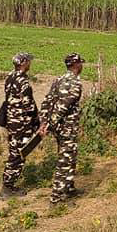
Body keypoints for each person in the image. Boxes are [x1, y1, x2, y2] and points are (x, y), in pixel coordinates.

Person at [38, 53, 84, 204]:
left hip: (58, 128)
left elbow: (47, 101)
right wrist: (51, 122)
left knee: (70, 156)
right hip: (67, 128)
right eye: (80, 63)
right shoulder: (75, 83)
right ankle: (56, 198)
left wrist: (44, 121)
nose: (82, 66)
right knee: (65, 160)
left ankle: (69, 188)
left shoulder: (58, 80)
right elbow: (64, 105)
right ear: (76, 65)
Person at [0, 53, 39, 198]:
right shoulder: (23, 81)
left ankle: (8, 185)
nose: (30, 64)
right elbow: (28, 104)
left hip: (11, 120)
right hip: (21, 122)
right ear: (23, 63)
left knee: (14, 151)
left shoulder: (10, 76)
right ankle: (7, 187)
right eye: (28, 61)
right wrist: (36, 119)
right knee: (18, 154)